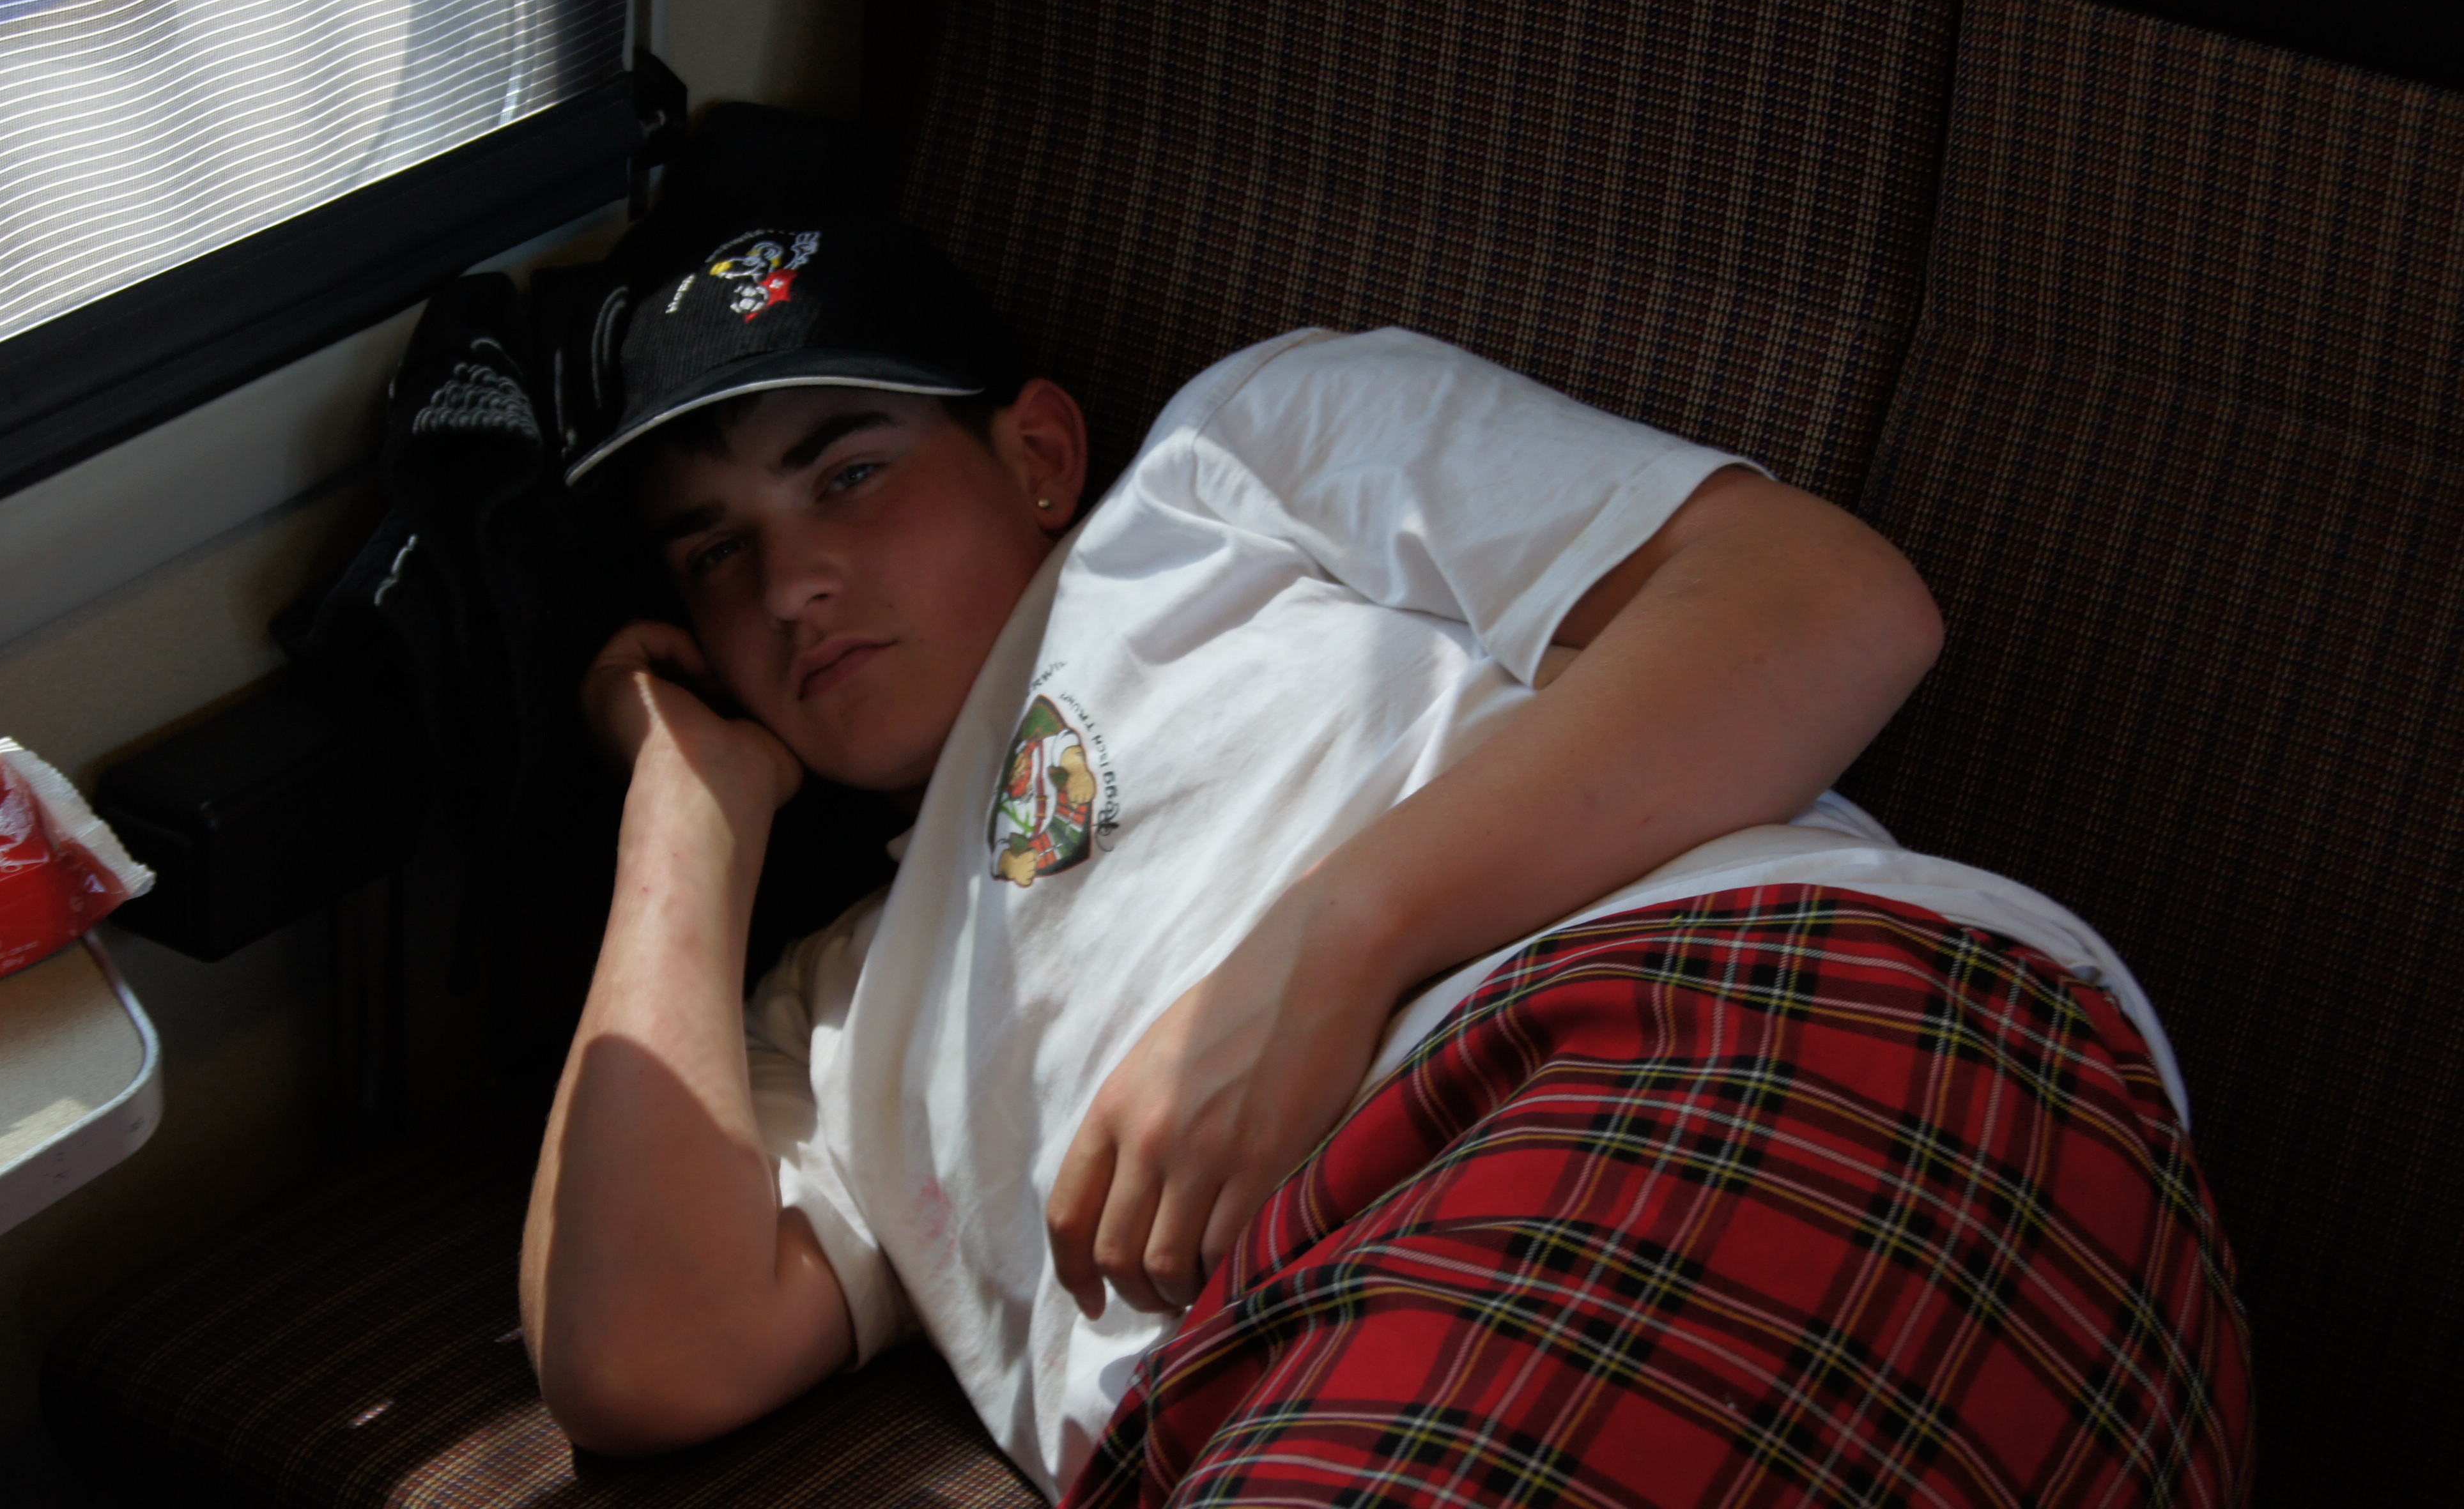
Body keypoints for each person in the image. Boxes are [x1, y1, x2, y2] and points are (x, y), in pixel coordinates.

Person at [520, 217, 2249, 1506]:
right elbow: (638, 1355)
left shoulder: (1224, 469)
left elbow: (1827, 605)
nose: (792, 584)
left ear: (1038, 455)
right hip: (1305, 1373)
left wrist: (1328, 949)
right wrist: (686, 809)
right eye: (715, 555)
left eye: (848, 473)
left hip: (1711, 1056)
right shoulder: (827, 1011)